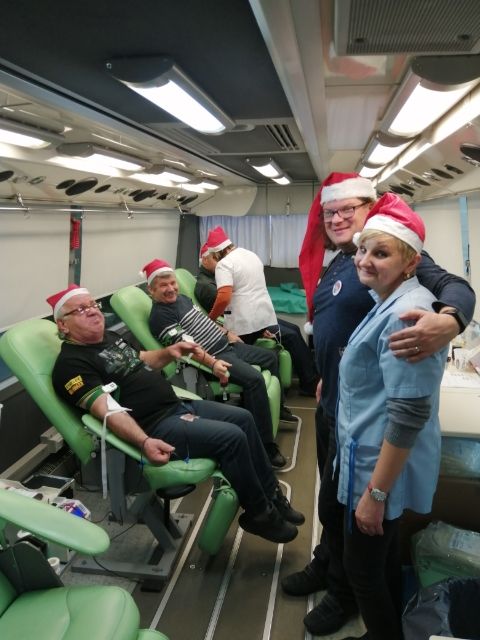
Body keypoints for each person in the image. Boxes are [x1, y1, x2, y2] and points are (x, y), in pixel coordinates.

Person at [282, 172, 476, 638]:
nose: (337, 219)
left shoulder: (406, 272)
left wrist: (450, 321)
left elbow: (456, 287)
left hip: (365, 428)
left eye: (348, 209)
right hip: (337, 405)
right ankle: (328, 566)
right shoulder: (347, 258)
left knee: (361, 534)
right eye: (330, 212)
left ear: (372, 209)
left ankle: (344, 594)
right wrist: (329, 373)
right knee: (332, 507)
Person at [48, 284, 305, 544]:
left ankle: (272, 495)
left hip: (176, 406)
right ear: (63, 325)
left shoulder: (110, 338)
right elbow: (107, 411)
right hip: (154, 426)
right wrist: (144, 442)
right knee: (232, 437)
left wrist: (170, 352)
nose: (93, 311)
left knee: (244, 419)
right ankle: (260, 514)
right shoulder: (71, 365)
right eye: (81, 309)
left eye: (93, 305)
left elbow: (142, 359)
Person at [336, 193, 448, 640]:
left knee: (362, 570)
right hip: (370, 456)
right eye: (363, 249)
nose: (364, 260)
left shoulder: (405, 314)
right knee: (379, 561)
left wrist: (376, 494)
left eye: (380, 253)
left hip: (378, 469)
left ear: (411, 262)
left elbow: (408, 413)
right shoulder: (389, 298)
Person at [143, 258, 297, 471]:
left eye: (172, 283)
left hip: (227, 345)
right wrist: (213, 363)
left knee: (271, 357)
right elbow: (184, 348)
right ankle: (266, 447)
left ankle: (278, 409)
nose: (170, 289)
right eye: (163, 285)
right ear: (151, 290)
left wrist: (227, 332)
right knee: (254, 380)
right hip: (214, 357)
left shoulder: (182, 299)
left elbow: (205, 320)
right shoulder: (160, 317)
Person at [195, 243, 319, 396]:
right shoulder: (206, 285)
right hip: (243, 323)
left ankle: (310, 378)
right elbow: (224, 310)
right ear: (205, 260)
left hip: (253, 318)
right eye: (216, 258)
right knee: (292, 336)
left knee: (294, 329)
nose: (220, 261)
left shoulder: (216, 274)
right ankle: (310, 382)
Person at [206, 226, 281, 344]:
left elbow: (223, 298)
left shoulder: (224, 264)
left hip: (243, 323)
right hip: (263, 317)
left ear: (216, 252)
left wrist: (210, 319)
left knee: (244, 353)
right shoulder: (250, 254)